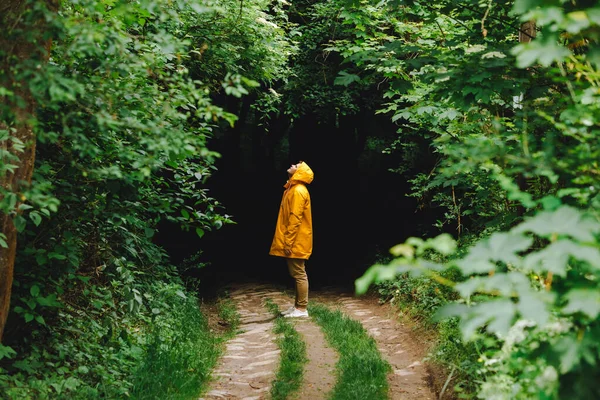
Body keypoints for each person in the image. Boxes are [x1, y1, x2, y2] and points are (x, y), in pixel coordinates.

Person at [269, 161, 314, 318]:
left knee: (299, 273)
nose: (292, 164)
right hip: (296, 239)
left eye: (296, 165)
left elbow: (295, 218)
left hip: (296, 240)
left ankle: (302, 309)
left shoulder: (298, 191)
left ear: (299, 172)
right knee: (296, 272)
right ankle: (298, 307)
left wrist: (288, 242)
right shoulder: (292, 189)